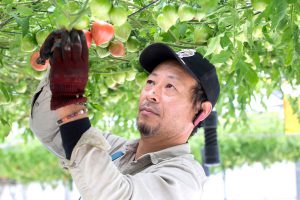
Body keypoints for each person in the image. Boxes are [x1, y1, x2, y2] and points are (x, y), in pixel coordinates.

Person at [30, 29, 220, 200]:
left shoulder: (185, 179)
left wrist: (69, 100)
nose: (151, 93)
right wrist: (57, 72)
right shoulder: (116, 149)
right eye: (151, 82)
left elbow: (118, 196)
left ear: (201, 111)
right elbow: (52, 129)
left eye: (170, 86)